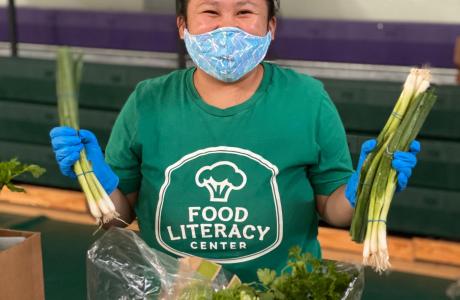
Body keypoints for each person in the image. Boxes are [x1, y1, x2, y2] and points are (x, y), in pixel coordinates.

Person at [49, 0, 419, 282]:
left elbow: (334, 210)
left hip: (283, 289)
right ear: (182, 26)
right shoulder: (148, 101)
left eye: (244, 12)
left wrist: (365, 187)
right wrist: (97, 179)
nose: (227, 27)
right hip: (174, 289)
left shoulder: (308, 100)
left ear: (271, 26)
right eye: (210, 11)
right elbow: (118, 217)